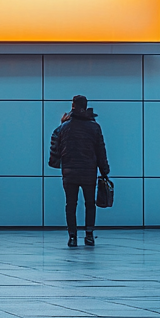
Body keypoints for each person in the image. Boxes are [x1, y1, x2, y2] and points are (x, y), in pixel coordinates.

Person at [49, 95, 110, 247]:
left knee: (71, 204)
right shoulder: (94, 127)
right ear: (86, 105)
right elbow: (101, 151)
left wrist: (60, 124)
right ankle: (89, 235)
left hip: (69, 172)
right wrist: (104, 170)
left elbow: (56, 143)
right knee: (90, 204)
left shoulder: (64, 127)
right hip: (89, 171)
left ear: (73, 106)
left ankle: (72, 237)